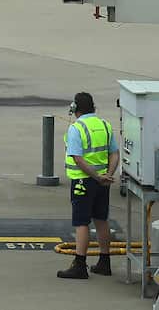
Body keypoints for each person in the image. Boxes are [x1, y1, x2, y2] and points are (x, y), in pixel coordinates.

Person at [57, 91, 119, 280]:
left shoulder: (77, 128)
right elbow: (114, 154)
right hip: (103, 182)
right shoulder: (105, 125)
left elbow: (77, 158)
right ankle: (104, 261)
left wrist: (96, 176)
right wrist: (108, 175)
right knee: (101, 219)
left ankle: (80, 264)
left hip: (83, 181)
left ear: (75, 108)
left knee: (81, 222)